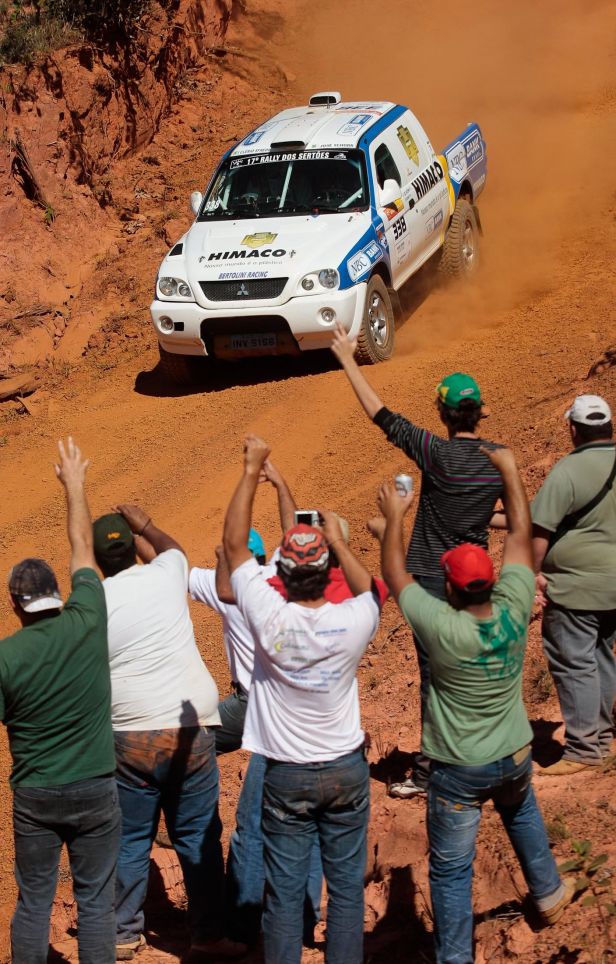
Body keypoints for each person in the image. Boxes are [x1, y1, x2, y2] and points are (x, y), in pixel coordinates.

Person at [375, 445, 575, 963]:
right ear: (490, 579)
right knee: (520, 809)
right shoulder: (512, 602)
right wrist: (510, 470)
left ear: (448, 586)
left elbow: (395, 573)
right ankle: (549, 892)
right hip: (513, 753)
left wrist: (396, 516)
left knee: (450, 869)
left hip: (460, 768)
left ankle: (456, 958)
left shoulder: (441, 626)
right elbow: (519, 535)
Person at [222, 435, 382, 964]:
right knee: (347, 890)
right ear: (324, 569)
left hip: (287, 773)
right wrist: (341, 542)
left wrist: (251, 469)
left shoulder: (268, 616)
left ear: (282, 576)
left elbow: (234, 549)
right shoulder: (355, 619)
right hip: (345, 768)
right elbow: (367, 588)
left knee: (285, 896)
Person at [331, 323, 503, 797]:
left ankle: (431, 773)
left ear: (443, 414)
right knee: (475, 666)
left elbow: (381, 414)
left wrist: (348, 359)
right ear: (481, 412)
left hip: (429, 578)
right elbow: (507, 515)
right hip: (478, 581)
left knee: (435, 674)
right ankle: (483, 753)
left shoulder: (435, 453)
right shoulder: (498, 460)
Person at [92, 506, 239, 962]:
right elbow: (171, 549)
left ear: (98, 559)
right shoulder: (166, 573)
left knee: (131, 837)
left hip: (129, 732)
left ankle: (121, 933)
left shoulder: (91, 599)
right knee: (196, 833)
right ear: (132, 549)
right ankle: (207, 935)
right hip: (189, 725)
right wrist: (145, 526)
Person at [0, 437, 120, 964]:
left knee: (34, 902)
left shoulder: (6, 656)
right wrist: (75, 486)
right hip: (96, 788)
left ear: (15, 605)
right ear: (57, 593)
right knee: (95, 903)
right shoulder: (89, 616)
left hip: (35, 795)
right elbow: (82, 550)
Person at [532, 394, 616, 775]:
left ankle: (583, 748)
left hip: (576, 586)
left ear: (573, 429)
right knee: (599, 656)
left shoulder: (568, 470)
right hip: (612, 584)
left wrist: (530, 573)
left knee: (572, 661)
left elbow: (540, 528)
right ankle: (601, 738)